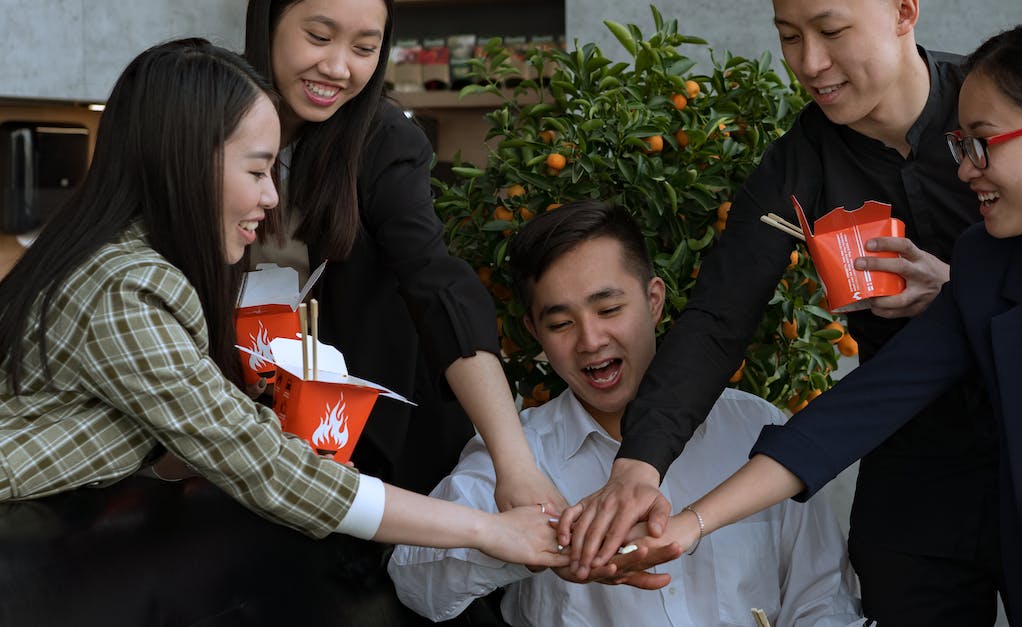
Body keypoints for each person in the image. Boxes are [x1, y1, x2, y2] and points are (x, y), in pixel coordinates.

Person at [624, 21, 1022, 627]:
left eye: (983, 143)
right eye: (959, 146)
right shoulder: (989, 264)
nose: (965, 169)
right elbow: (858, 409)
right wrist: (689, 524)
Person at [0, 38, 568, 569]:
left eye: (367, 44)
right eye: (256, 171)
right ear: (185, 162)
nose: (271, 198)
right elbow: (263, 466)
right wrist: (485, 530)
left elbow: (174, 443)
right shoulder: (124, 289)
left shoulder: (111, 261)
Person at [560, 1, 1004, 623]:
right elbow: (718, 318)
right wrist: (640, 464)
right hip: (904, 457)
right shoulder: (799, 162)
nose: (810, 63)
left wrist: (963, 288)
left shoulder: (997, 108)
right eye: (790, 37)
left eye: (831, 31)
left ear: (904, 11)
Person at [387, 200, 865, 627]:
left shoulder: (751, 429)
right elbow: (416, 585)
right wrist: (518, 547)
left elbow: (824, 599)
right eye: (560, 323)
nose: (591, 340)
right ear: (533, 330)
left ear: (654, 301)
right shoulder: (518, 453)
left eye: (610, 309)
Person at [242, 0, 563, 509]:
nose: (339, 68)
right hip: (245, 422)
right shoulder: (212, 123)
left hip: (373, 437)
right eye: (320, 37)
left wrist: (514, 462)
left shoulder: (384, 140)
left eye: (365, 48)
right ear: (266, 24)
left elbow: (436, 281)